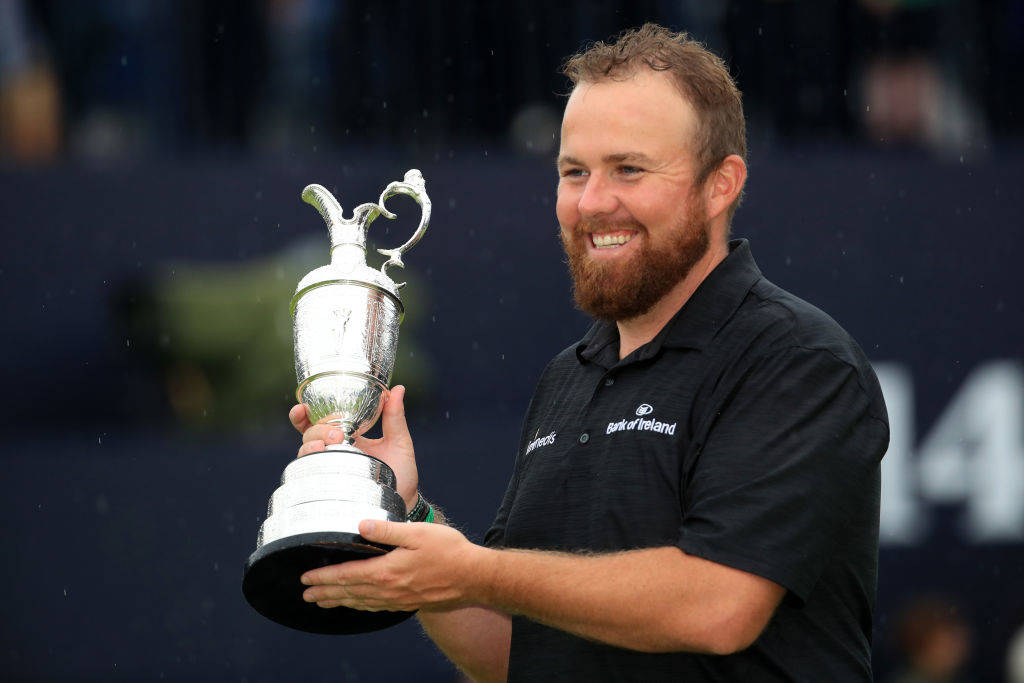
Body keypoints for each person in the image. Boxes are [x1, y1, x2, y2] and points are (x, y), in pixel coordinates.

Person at [290, 23, 889, 682]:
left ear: (721, 185)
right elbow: (512, 653)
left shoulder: (796, 360)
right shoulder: (567, 378)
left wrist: (474, 569)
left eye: (628, 168)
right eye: (574, 171)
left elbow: (719, 604)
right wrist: (405, 513)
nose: (593, 202)